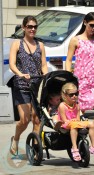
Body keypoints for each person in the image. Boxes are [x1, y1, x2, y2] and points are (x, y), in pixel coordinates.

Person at [65, 12, 94, 153]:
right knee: (79, 113)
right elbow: (68, 60)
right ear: (85, 22)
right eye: (92, 25)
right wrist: (69, 78)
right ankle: (77, 142)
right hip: (81, 81)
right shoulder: (76, 40)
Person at [9, 15, 48, 156]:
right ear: (24, 27)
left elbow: (43, 65)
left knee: (37, 120)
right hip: (21, 85)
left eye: (35, 27)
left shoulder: (40, 45)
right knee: (24, 120)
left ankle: (36, 149)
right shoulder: (17, 44)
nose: (32, 29)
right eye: (30, 26)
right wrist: (20, 73)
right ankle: (16, 138)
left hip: (36, 86)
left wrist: (46, 75)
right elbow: (12, 64)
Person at [58, 82, 94, 161]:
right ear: (65, 95)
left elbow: (78, 118)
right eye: (71, 95)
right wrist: (73, 121)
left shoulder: (77, 105)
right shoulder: (62, 106)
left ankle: (93, 146)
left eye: (76, 93)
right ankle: (74, 148)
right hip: (66, 124)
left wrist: (78, 121)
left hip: (75, 123)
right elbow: (64, 120)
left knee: (91, 124)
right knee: (74, 126)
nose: (74, 96)